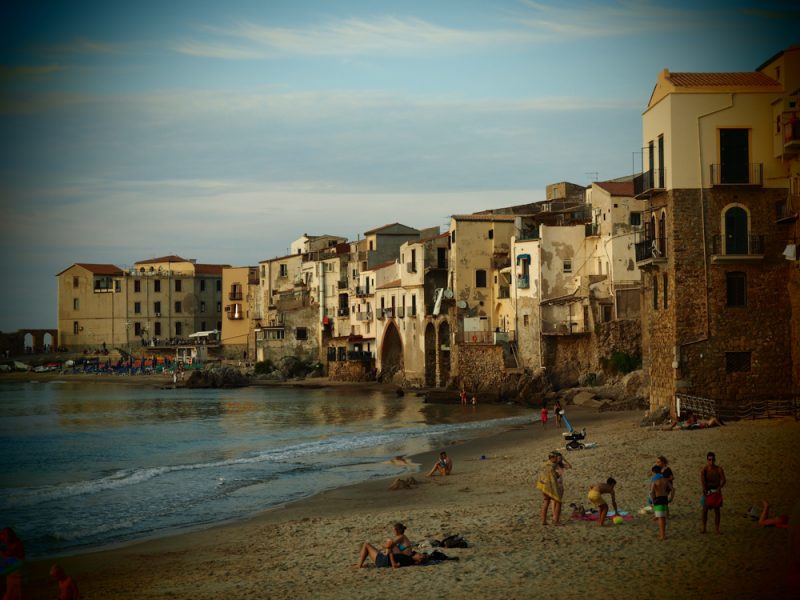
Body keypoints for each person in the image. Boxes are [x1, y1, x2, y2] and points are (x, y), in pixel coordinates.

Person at [701, 451, 726, 534]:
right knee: (704, 510)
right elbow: (703, 481)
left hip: (716, 491)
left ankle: (717, 529)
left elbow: (723, 480)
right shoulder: (704, 469)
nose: (711, 461)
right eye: (709, 460)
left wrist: (719, 487)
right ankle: (704, 528)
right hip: (708, 491)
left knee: (717, 510)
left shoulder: (719, 469)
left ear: (715, 460)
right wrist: (704, 489)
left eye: (713, 460)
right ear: (707, 460)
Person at [536, 452, 564, 525]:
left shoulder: (545, 464)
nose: (559, 459)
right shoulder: (551, 467)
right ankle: (556, 521)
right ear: (553, 458)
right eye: (557, 458)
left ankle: (543, 521)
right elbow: (552, 480)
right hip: (549, 487)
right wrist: (557, 475)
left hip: (543, 486)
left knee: (546, 501)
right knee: (558, 502)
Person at [0, 528, 24, 600]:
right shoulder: (14, 542)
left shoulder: (15, 544)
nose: (4, 539)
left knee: (12, 591)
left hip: (15, 570)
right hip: (13, 568)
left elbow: (7, 555)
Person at [650, 465, 672, 540]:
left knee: (660, 518)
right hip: (665, 499)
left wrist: (652, 502)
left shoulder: (655, 480)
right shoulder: (665, 479)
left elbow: (652, 492)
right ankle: (663, 534)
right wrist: (671, 498)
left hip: (658, 499)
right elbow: (673, 489)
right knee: (663, 518)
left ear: (654, 472)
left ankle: (662, 536)